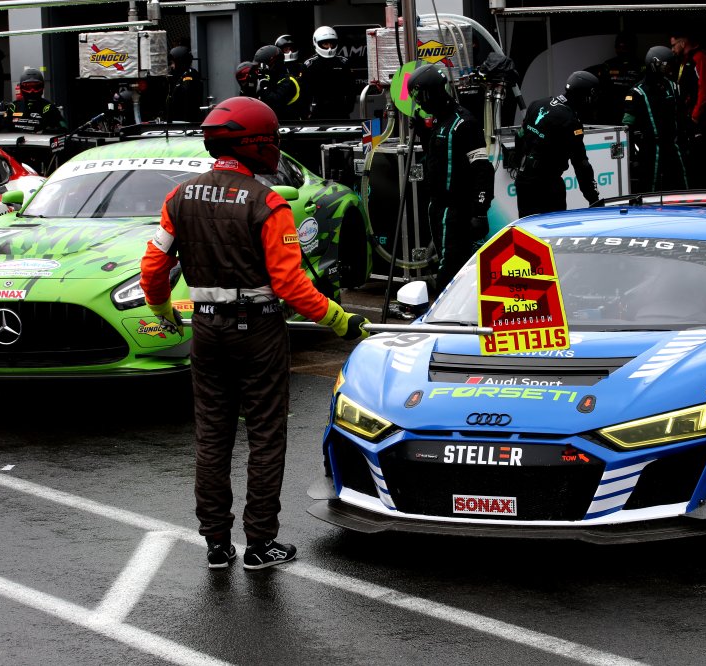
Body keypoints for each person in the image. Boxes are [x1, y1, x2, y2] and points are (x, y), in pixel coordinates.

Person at [139, 96, 370, 570]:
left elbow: (153, 268)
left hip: (207, 329)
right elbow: (291, 286)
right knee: (264, 435)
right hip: (259, 331)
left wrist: (161, 309)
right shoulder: (267, 203)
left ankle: (216, 544)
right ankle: (261, 544)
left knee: (212, 436)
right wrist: (340, 320)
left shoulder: (178, 197)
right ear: (257, 144)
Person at [407, 64, 494, 298]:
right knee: (449, 263)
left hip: (456, 208)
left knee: (450, 266)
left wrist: (480, 212)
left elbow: (483, 168)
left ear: (431, 93)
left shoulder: (464, 123)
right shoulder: (440, 121)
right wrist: (424, 133)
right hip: (437, 206)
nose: (418, 102)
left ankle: (440, 312)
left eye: (419, 96)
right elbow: (438, 155)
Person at [512, 71, 600, 217]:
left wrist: (518, 163)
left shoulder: (537, 104)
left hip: (523, 181)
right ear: (585, 96)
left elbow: (520, 136)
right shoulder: (570, 121)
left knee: (526, 227)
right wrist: (593, 198)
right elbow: (581, 164)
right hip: (547, 185)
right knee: (554, 228)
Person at [622, 46, 688, 193]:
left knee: (681, 185)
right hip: (650, 149)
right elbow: (627, 126)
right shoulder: (636, 92)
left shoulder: (672, 87)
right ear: (655, 64)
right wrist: (633, 154)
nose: (669, 69)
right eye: (666, 65)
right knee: (650, 188)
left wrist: (685, 140)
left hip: (673, 146)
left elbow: (682, 116)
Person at [670, 30, 706, 187]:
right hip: (687, 121)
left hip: (699, 122)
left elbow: (705, 89)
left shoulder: (699, 58)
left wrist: (695, 116)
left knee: (699, 161)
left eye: (673, 45)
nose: (672, 49)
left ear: (682, 43)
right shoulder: (684, 60)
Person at [589, 32, 644, 126]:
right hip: (612, 110)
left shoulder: (641, 66)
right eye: (619, 46)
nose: (622, 50)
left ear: (633, 47)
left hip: (633, 109)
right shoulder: (608, 65)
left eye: (625, 47)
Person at [302, 26, 355, 119]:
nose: (329, 47)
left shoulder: (343, 62)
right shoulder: (310, 64)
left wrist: (348, 108)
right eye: (325, 44)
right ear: (316, 43)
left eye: (331, 44)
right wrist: (306, 112)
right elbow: (304, 92)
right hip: (318, 110)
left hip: (340, 110)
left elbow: (351, 89)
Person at [1, 68, 66, 133]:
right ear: (21, 87)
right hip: (16, 138)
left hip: (40, 139)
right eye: (28, 87)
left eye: (36, 87)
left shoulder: (49, 108)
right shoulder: (13, 107)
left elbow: (63, 129)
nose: (32, 91)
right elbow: (3, 130)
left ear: (42, 87)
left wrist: (45, 132)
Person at [253, 44, 302, 121]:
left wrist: (264, 83)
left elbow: (273, 103)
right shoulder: (267, 80)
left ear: (275, 64)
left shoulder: (289, 81)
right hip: (268, 123)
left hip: (288, 124)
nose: (261, 70)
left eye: (263, 66)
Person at [166, 46, 205, 123]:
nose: (172, 66)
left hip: (186, 120)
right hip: (179, 119)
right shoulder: (181, 75)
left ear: (180, 62)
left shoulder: (189, 76)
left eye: (173, 63)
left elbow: (185, 97)